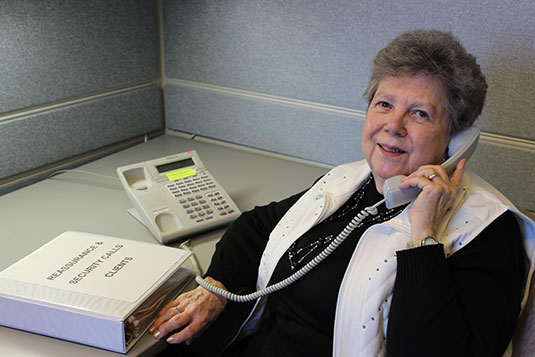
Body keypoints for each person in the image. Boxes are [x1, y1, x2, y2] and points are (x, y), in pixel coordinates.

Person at [149, 30, 535, 356]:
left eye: (420, 113)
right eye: (384, 104)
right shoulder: (351, 181)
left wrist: (424, 238)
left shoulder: (487, 230)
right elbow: (257, 225)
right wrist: (217, 288)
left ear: (456, 139)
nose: (393, 125)